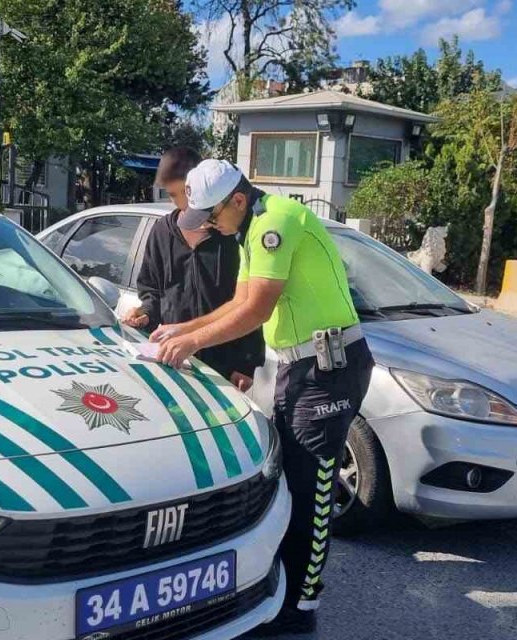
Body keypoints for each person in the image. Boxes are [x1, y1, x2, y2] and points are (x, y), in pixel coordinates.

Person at [153, 159, 374, 635]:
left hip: (329, 369)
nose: (210, 226)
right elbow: (237, 302)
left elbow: (257, 309)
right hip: (299, 367)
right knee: (288, 482)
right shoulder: (250, 228)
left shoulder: (276, 222)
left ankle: (301, 608)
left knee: (313, 488)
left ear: (237, 199)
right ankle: (284, 587)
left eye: (212, 216)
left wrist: (192, 344)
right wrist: (181, 328)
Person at [122, 148, 263, 390]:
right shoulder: (161, 232)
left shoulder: (233, 235)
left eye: (181, 193)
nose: (176, 202)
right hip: (174, 360)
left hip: (225, 365)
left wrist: (246, 363)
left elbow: (249, 304)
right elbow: (152, 290)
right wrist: (145, 311)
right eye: (171, 195)